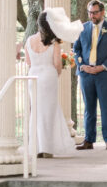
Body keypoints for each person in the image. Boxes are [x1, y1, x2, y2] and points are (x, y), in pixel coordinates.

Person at [25, 8, 82, 158]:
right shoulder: (53, 42)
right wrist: (55, 73)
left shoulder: (29, 41)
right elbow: (57, 64)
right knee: (49, 113)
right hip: (48, 77)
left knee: (36, 112)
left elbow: (28, 62)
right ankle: (47, 148)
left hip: (33, 77)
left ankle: (35, 148)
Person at [73, 0, 107, 151]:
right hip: (86, 74)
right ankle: (88, 140)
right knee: (89, 108)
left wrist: (102, 67)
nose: (91, 16)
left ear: (102, 12)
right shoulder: (82, 28)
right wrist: (82, 66)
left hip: (104, 74)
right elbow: (77, 49)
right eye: (89, 13)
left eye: (94, 13)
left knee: (106, 107)